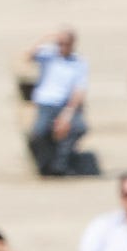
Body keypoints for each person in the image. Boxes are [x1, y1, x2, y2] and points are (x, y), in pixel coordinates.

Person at [27, 27, 88, 176]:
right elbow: (28, 56)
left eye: (65, 43)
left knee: (78, 128)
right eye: (59, 43)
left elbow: (79, 91)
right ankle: (44, 164)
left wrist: (67, 115)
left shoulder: (79, 63)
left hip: (66, 105)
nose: (62, 47)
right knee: (39, 132)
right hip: (45, 104)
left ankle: (60, 165)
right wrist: (46, 37)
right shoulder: (48, 56)